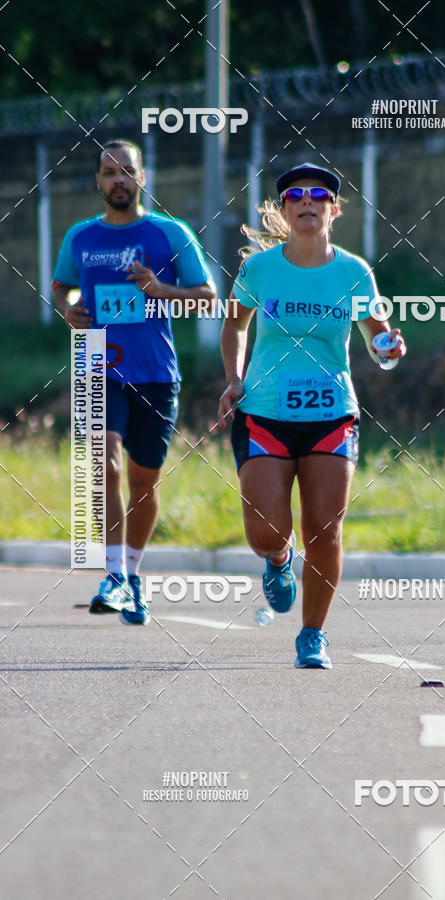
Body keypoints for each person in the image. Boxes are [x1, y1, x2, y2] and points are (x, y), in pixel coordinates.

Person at [217, 162, 405, 668]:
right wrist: (234, 378)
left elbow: (379, 340)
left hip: (331, 415)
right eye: (295, 195)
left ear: (334, 210)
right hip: (264, 412)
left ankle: (313, 635)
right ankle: (279, 560)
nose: (307, 201)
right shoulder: (260, 270)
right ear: (284, 210)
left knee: (324, 530)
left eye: (319, 195)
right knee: (265, 534)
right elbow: (235, 326)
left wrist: (389, 349)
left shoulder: (354, 272)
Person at [53, 139, 216, 624]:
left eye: (127, 171)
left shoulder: (169, 232)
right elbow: (62, 286)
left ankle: (133, 573)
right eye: (109, 172)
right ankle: (113, 575)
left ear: (142, 178)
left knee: (144, 481)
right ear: (98, 181)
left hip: (154, 370)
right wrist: (68, 310)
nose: (118, 179)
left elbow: (207, 297)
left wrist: (160, 289)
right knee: (104, 464)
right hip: (97, 363)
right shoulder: (80, 236)